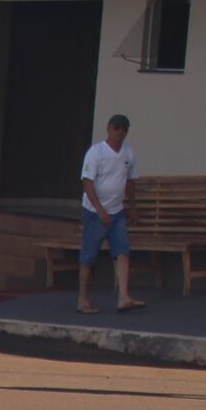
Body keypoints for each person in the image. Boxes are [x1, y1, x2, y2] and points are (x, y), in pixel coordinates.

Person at [78, 114, 143, 315]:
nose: (120, 132)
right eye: (117, 128)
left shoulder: (128, 152)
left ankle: (124, 296)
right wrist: (100, 210)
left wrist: (132, 207)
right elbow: (87, 182)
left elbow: (130, 182)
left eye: (124, 129)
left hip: (117, 211)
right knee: (89, 255)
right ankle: (82, 299)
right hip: (94, 212)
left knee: (122, 251)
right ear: (109, 129)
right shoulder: (96, 152)